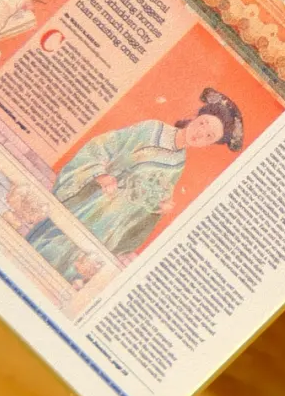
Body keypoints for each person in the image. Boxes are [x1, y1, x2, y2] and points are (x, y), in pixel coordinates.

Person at [27, 87, 244, 281]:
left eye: (209, 136)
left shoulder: (179, 163)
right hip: (94, 203)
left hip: (113, 226)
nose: (200, 133)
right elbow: (104, 145)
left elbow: (151, 198)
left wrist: (160, 208)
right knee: (53, 248)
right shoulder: (152, 129)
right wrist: (101, 175)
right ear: (195, 116)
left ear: (209, 144)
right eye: (203, 123)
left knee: (73, 268)